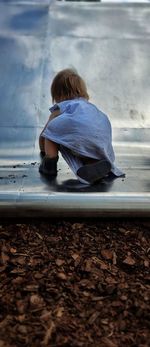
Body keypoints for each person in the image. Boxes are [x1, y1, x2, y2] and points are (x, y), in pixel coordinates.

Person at [39, 68, 124, 184]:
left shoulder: (62, 106)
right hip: (100, 138)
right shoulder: (89, 107)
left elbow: (45, 132)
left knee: (51, 132)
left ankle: (50, 163)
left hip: (78, 135)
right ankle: (92, 165)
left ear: (58, 94)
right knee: (86, 152)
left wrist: (43, 151)